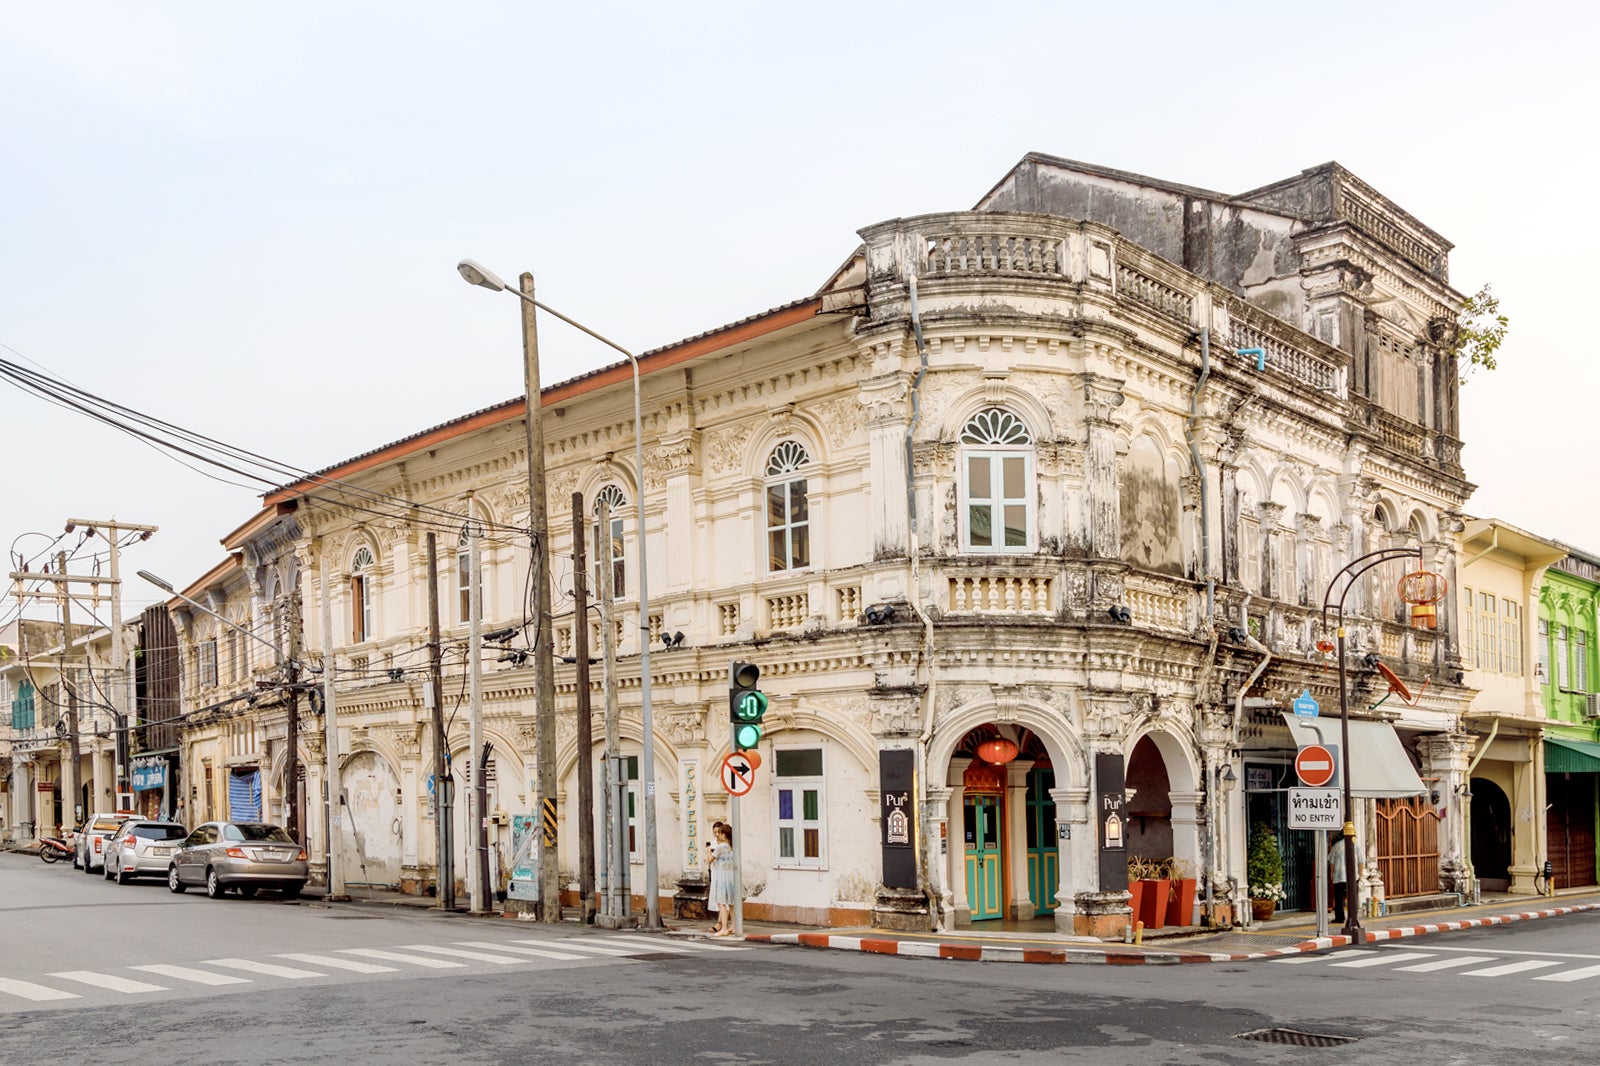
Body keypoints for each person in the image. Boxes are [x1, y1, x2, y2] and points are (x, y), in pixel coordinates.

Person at [706, 821, 737, 936]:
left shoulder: (721, 847)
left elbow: (709, 860)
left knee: (722, 903)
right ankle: (733, 926)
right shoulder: (733, 846)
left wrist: (708, 851)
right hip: (731, 876)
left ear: (723, 834)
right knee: (733, 903)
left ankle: (724, 928)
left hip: (722, 876)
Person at [1330, 832, 1348, 925]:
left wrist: (1331, 873)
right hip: (1351, 877)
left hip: (1339, 876)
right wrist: (1360, 875)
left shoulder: (1336, 846)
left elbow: (1332, 862)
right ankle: (1353, 916)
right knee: (1351, 897)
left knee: (1339, 897)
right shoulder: (1355, 845)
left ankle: (1340, 917)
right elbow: (1361, 861)